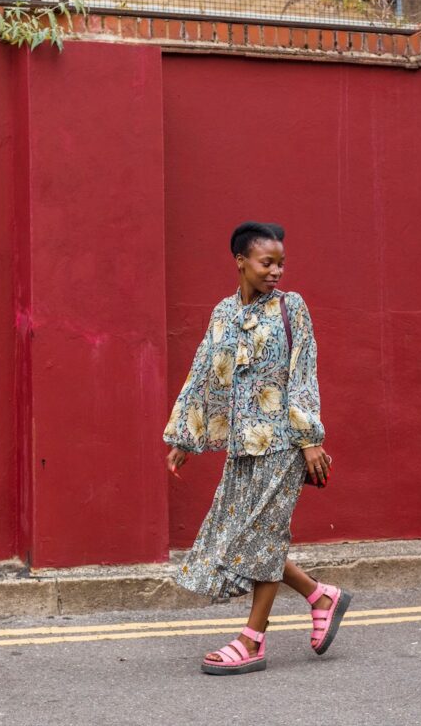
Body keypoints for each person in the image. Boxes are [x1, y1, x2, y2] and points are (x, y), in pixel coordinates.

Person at [163, 221, 351, 675]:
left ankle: (252, 641)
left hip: (284, 443)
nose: (276, 271)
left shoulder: (292, 308)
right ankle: (321, 595)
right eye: (267, 262)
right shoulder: (222, 314)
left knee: (261, 537)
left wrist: (310, 441)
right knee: (240, 538)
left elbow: (303, 374)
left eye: (281, 263)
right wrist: (184, 438)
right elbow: (203, 374)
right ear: (241, 261)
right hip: (242, 449)